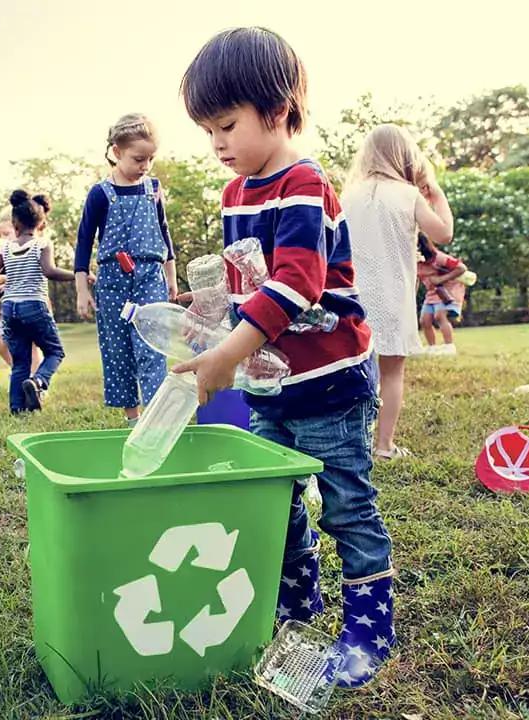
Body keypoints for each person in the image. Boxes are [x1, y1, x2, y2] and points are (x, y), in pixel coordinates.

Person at [175, 26, 394, 687]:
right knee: (278, 503)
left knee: (346, 503)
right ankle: (295, 607)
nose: (216, 143)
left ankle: (369, 628)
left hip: (330, 385)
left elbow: (296, 283)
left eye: (227, 125)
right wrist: (207, 317)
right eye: (207, 129)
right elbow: (250, 283)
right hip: (272, 388)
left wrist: (229, 356)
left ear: (276, 110)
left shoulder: (302, 182)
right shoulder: (234, 195)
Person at [341, 124, 455, 460]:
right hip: (392, 296)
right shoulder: (409, 195)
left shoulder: (347, 196)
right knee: (392, 373)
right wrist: (435, 192)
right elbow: (444, 233)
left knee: (352, 372)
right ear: (404, 156)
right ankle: (384, 446)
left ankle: (351, 442)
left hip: (352, 298)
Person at [74, 113, 178, 427]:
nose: (145, 165)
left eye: (150, 159)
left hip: (150, 277)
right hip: (112, 281)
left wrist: (170, 279)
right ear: (117, 153)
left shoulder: (154, 189)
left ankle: (156, 419)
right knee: (118, 349)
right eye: (138, 158)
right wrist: (82, 290)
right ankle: (133, 418)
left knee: (151, 347)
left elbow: (165, 234)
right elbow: (83, 242)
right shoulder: (99, 194)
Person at [0, 191, 74, 413]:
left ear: (14, 224)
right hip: (34, 305)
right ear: (41, 222)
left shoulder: (5, 248)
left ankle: (17, 409)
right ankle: (39, 381)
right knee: (55, 352)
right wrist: (77, 275)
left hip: (10, 309)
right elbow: (49, 271)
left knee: (20, 362)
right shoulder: (42, 244)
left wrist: (8, 277)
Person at [0, 218, 43, 372]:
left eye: (5, 234)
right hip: (8, 313)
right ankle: (21, 372)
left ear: (20, 230)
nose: (1, 239)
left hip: (30, 309)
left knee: (30, 346)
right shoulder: (5, 258)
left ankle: (37, 382)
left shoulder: (33, 252)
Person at [417, 234, 467, 354]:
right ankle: (432, 347)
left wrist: (441, 279)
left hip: (446, 291)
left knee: (439, 316)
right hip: (431, 293)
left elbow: (461, 268)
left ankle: (449, 346)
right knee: (425, 320)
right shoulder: (416, 262)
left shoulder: (439, 258)